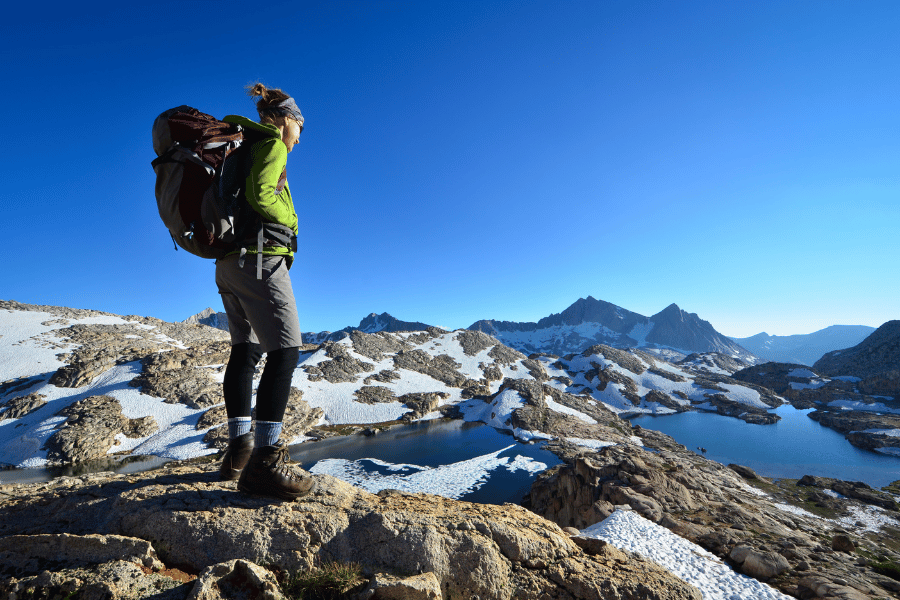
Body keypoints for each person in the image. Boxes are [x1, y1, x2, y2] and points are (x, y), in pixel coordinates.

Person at [214, 82, 313, 501]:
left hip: (230, 263)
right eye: (301, 128)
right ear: (287, 120)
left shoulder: (243, 147)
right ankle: (265, 463)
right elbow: (259, 195)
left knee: (246, 351)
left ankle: (239, 450)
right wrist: (289, 222)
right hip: (260, 260)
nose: (299, 138)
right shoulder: (271, 146)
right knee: (286, 351)